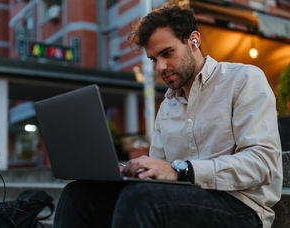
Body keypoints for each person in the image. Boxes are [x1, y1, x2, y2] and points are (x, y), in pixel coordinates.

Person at [53, 5, 282, 228]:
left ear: (194, 40)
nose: (160, 67)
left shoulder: (243, 79)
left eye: (167, 53)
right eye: (153, 59)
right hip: (176, 199)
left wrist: (181, 170)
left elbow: (262, 163)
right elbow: (157, 173)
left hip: (241, 207)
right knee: (78, 195)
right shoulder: (167, 107)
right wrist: (128, 170)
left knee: (141, 200)